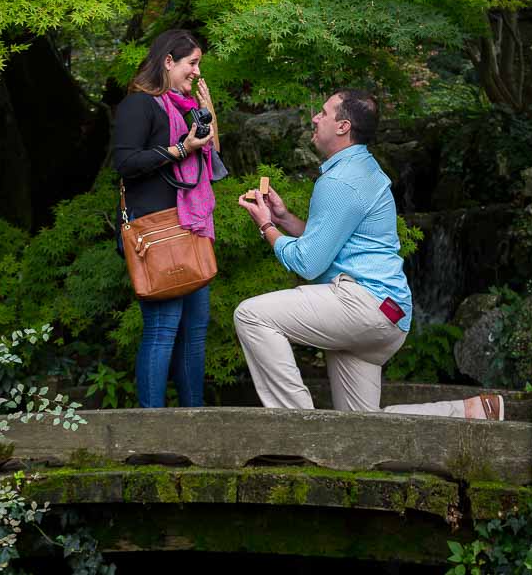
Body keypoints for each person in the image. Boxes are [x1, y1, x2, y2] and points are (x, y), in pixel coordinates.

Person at [234, 89, 504, 421]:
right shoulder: (362, 168)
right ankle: (470, 412)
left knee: (251, 315)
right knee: (360, 428)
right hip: (386, 313)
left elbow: (307, 263)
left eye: (323, 113)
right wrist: (284, 219)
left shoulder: (342, 181)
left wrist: (265, 227)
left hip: (363, 305)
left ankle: (300, 429)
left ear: (343, 126)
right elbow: (327, 245)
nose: (315, 119)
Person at [114, 28, 226, 408]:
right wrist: (179, 149)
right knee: (162, 329)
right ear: (167, 61)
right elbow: (125, 163)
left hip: (192, 227)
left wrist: (210, 117)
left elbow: (213, 163)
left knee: (194, 333)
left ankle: (192, 425)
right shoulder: (139, 105)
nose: (196, 71)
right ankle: (152, 433)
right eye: (192, 63)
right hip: (157, 231)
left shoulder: (184, 108)